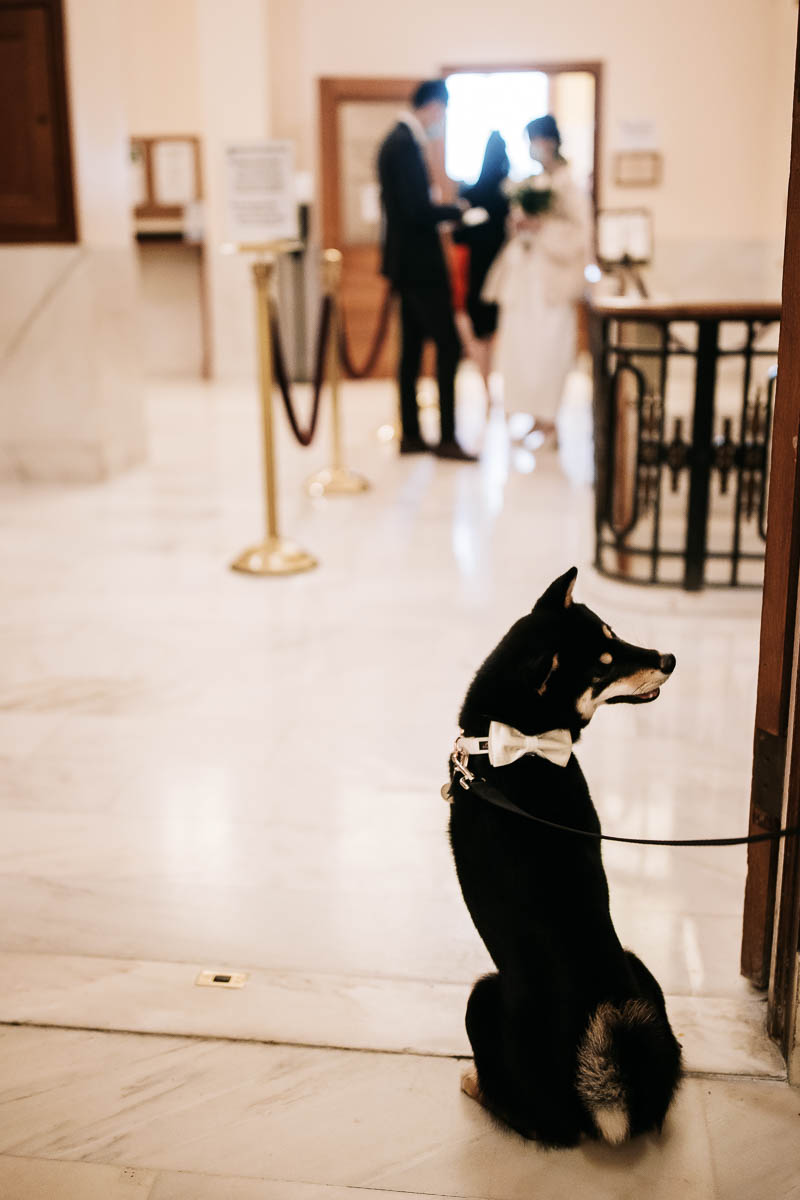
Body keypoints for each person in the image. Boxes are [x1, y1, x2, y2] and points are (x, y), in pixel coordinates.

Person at [377, 80, 477, 460]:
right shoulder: (403, 144)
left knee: (414, 350)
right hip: (418, 266)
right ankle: (446, 436)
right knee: (447, 347)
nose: (443, 121)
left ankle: (413, 435)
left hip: (408, 264)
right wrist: (457, 211)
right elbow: (416, 211)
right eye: (444, 112)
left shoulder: (402, 141)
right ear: (434, 106)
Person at [483, 113, 592, 438]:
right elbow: (515, 225)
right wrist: (519, 225)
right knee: (521, 348)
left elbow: (581, 233)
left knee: (550, 347)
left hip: (552, 281)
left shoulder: (569, 186)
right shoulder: (527, 183)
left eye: (537, 140)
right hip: (523, 278)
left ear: (552, 141)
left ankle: (550, 418)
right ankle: (530, 413)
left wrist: (542, 228)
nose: (534, 148)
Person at [451, 131, 510, 405]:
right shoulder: (507, 194)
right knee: (497, 329)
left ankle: (487, 387)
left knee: (481, 332)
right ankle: (496, 389)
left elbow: (458, 237)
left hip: (481, 268)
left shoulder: (473, 193)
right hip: (504, 268)